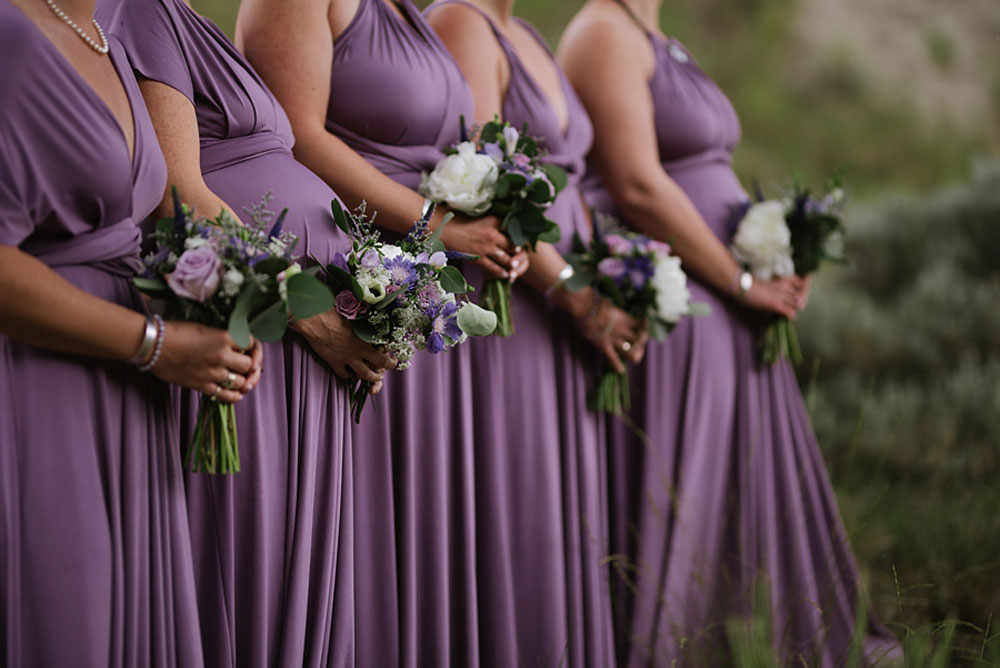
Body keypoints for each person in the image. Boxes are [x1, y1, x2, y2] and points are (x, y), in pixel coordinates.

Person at [559, 0, 899, 664]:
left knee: (741, 493)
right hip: (685, 304)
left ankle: (754, 638)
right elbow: (636, 185)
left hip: (726, 302)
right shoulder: (601, 31)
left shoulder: (657, 35)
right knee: (689, 487)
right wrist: (742, 282)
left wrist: (773, 253)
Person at [99, 0, 393, 665]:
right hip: (259, 322)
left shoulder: (189, 18)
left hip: (287, 329)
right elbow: (178, 193)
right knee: (249, 555)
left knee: (295, 555)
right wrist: (309, 310)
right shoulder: (141, 10)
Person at [236, 0, 530, 664]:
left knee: (425, 530)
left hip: (413, 288)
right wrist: (436, 224)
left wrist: (486, 220)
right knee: (370, 535)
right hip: (356, 286)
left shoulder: (407, 11)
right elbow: (301, 137)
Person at [0, 0, 262, 665]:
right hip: (45, 388)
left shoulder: (101, 39)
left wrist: (229, 307)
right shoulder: (9, 34)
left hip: (132, 395)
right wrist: (155, 344)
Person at [425, 1, 644, 665]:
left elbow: (569, 178)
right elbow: (487, 187)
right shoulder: (461, 21)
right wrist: (580, 300)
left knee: (564, 518)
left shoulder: (528, 35)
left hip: (564, 298)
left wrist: (610, 273)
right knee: (522, 510)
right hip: (519, 303)